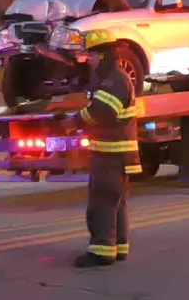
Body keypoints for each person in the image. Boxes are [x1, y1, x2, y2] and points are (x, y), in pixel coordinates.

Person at [56, 29, 141, 268]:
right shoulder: (116, 78)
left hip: (111, 154)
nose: (89, 60)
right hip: (115, 154)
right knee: (116, 202)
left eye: (92, 55)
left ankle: (102, 251)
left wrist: (73, 122)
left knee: (102, 203)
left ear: (103, 55)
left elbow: (103, 111)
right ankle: (119, 247)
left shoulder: (115, 79)